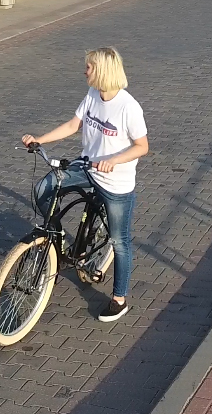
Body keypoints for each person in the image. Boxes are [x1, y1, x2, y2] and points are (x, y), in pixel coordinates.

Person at [20, 47, 149, 323]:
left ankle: (119, 299)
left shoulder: (129, 107)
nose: (84, 71)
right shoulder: (92, 95)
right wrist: (39, 140)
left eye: (88, 67)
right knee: (44, 190)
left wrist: (114, 160)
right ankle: (58, 240)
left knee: (119, 241)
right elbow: (71, 126)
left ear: (101, 70)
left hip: (116, 182)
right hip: (87, 167)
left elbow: (142, 146)